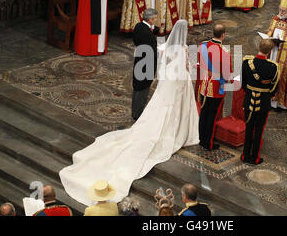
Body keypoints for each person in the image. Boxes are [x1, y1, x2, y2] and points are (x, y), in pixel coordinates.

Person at [59, 20, 200, 207]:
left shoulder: (167, 47)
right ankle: (181, 132)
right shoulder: (182, 49)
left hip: (168, 85)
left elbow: (162, 67)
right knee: (176, 113)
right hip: (179, 84)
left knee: (161, 112)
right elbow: (188, 69)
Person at [241, 39, 280, 165]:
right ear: (269, 52)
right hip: (263, 102)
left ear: (259, 47)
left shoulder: (247, 63)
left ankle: (244, 155)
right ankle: (255, 157)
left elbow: (243, 83)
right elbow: (273, 88)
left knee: (248, 127)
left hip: (249, 100)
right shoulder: (273, 67)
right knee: (259, 130)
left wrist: (249, 91)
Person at [197, 24, 232, 151]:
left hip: (203, 85)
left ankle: (201, 137)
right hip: (216, 87)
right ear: (223, 35)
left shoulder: (203, 46)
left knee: (204, 112)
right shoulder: (224, 52)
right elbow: (227, 75)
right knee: (212, 116)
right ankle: (208, 142)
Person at [132, 8, 162, 120]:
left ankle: (135, 111)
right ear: (150, 19)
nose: (156, 20)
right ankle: (137, 115)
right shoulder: (147, 34)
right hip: (146, 65)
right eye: (155, 18)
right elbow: (152, 51)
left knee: (136, 88)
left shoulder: (138, 26)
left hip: (139, 60)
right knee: (143, 89)